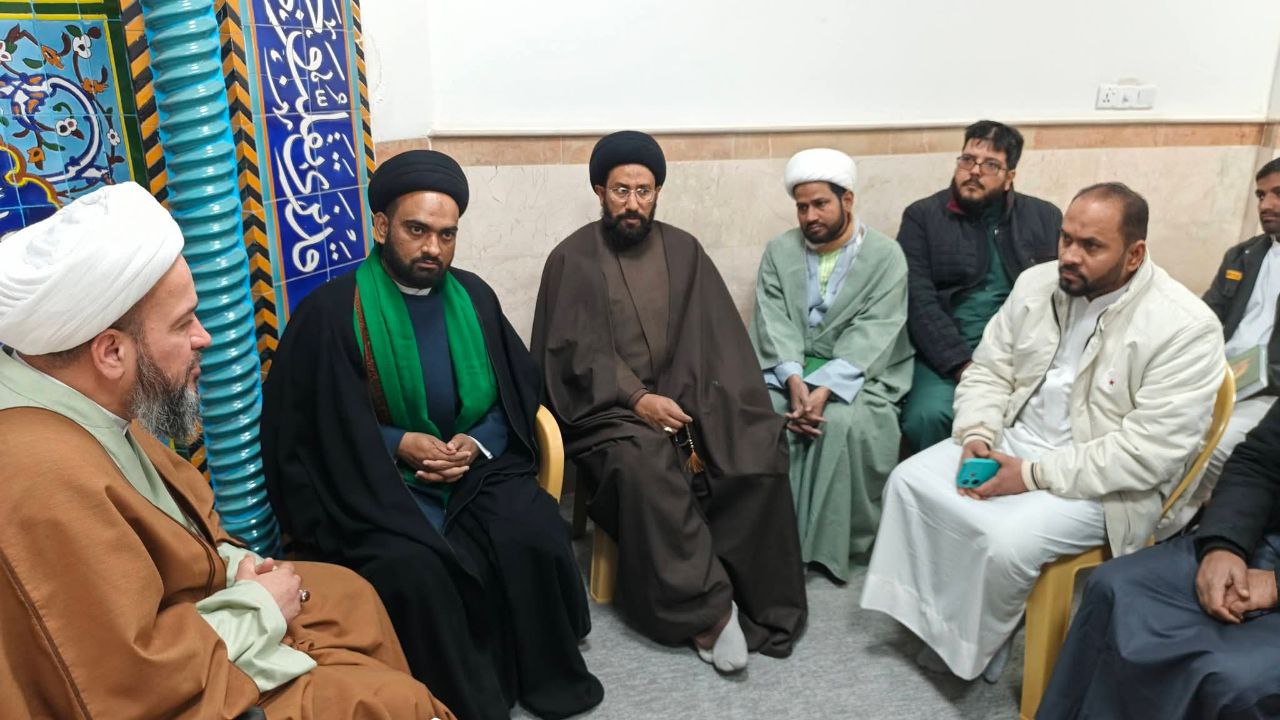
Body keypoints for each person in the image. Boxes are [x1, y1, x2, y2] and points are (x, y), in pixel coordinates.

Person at [0, 182, 453, 719]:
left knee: (348, 595)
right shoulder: (38, 472)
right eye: (183, 323)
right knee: (397, 705)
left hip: (196, 622)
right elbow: (122, 681)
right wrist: (259, 609)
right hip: (175, 692)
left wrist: (242, 570)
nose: (204, 338)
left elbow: (184, 527)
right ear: (111, 352)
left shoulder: (85, 399)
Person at [261, 150, 603, 720]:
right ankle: (467, 702)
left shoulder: (475, 297)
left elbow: (512, 396)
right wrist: (397, 442)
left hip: (475, 468)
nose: (433, 248)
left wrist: (475, 443)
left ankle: (542, 676)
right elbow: (313, 427)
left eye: (447, 235)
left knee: (533, 529)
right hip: (375, 482)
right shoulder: (331, 313)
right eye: (417, 230)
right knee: (419, 571)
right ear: (381, 226)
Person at [860, 182, 1226, 683]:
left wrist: (1029, 475)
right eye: (1066, 238)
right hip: (1014, 437)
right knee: (910, 482)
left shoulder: (1185, 327)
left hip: (1106, 481)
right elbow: (990, 370)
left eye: (1091, 246)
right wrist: (977, 434)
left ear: (1134, 254)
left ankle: (978, 640)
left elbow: (1148, 454)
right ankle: (941, 624)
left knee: (1005, 539)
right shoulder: (1037, 283)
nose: (1069, 256)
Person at [531, 130, 807, 673]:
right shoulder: (572, 258)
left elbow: (716, 340)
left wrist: (702, 403)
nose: (633, 203)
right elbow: (573, 354)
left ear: (657, 192)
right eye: (621, 191)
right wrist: (637, 398)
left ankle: (759, 597)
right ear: (599, 191)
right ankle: (706, 613)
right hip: (605, 412)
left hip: (685, 397)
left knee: (752, 441)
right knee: (645, 462)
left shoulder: (684, 250)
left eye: (644, 190)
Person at [1040, 398, 1280, 718]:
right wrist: (1224, 545)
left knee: (1230, 679)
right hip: (1263, 536)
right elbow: (1259, 462)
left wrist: (1276, 585)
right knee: (1115, 586)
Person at [748, 148, 913, 582]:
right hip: (788, 369)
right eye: (802, 207)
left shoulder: (886, 256)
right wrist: (795, 381)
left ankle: (828, 550)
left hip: (862, 372)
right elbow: (772, 319)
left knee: (840, 424)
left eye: (820, 204)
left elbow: (877, 329)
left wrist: (824, 389)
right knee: (766, 415)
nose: (810, 216)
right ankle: (770, 542)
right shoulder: (779, 251)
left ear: (848, 200)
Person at [898, 120, 1061, 451]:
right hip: (948, 353)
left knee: (1047, 412)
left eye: (990, 165)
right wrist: (961, 364)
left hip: (1020, 349)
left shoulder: (1044, 217)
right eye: (967, 160)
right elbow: (918, 300)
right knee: (928, 417)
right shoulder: (923, 216)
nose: (974, 171)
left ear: (1009, 177)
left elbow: (1058, 292)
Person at [1158, 156, 1280, 539]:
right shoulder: (1242, 255)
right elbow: (1205, 318)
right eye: (1260, 195)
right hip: (1217, 374)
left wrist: (1258, 375)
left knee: (1211, 446)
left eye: (1277, 194)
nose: (1266, 205)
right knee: (1161, 425)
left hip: (1268, 395)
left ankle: (1168, 530)